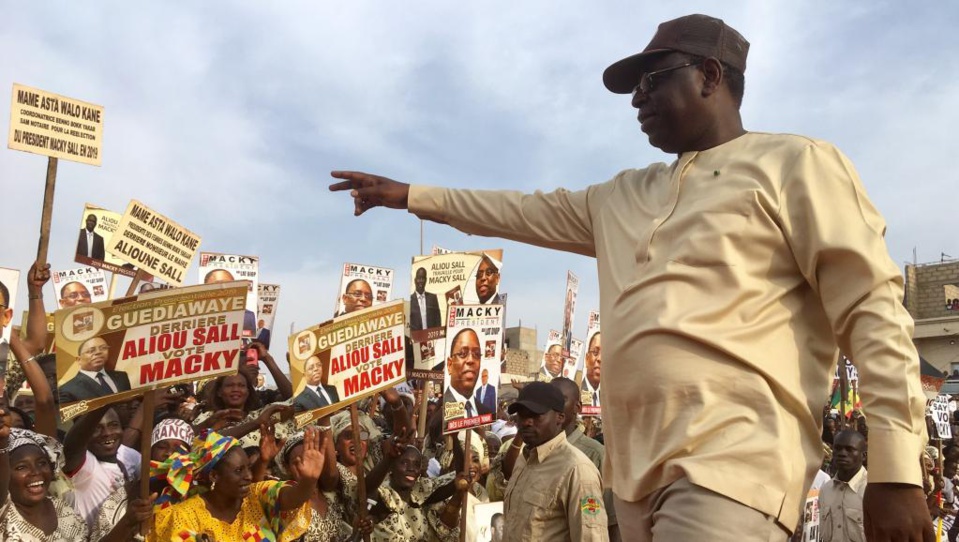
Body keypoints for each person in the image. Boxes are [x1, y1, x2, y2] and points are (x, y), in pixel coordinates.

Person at [330, 13, 929, 540]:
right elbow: (513, 209)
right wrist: (410, 195)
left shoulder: (795, 165)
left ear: (710, 76)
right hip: (634, 477)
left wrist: (898, 469)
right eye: (632, 88)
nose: (637, 98)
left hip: (735, 464)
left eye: (652, 79)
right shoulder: (621, 195)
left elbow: (871, 310)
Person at [149, 428, 320, 542]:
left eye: (248, 468)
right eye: (239, 471)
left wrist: (308, 481)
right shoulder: (184, 516)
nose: (249, 476)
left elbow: (292, 498)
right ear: (214, 476)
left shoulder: (257, 496)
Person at [503, 381, 608, 540]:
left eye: (536, 415)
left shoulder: (577, 469)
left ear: (559, 417)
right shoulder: (523, 461)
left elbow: (591, 537)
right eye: (522, 415)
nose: (526, 422)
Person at [0, 426, 89, 541]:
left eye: (42, 463)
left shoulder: (64, 511)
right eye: (21, 467)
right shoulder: (5, 515)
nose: (36, 472)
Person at [819, 430, 868, 542]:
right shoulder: (826, 490)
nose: (842, 453)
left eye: (849, 449)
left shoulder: (872, 491)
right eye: (838, 448)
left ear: (864, 456)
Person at [58, 336, 132, 404]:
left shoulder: (122, 377)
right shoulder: (67, 390)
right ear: (78, 360)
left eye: (103, 348)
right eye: (91, 350)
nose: (98, 352)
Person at [442, 328, 491, 420]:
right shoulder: (439, 413)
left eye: (476, 354)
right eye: (463, 353)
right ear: (449, 365)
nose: (471, 360)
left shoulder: (486, 413)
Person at [203, 268, 257, 335]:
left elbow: (251, 342)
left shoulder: (248, 316)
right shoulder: (196, 316)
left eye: (229, 284)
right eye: (218, 284)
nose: (224, 288)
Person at [582, 331, 601, 407]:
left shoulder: (609, 399)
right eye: (595, 352)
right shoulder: (576, 394)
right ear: (587, 359)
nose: (600, 359)